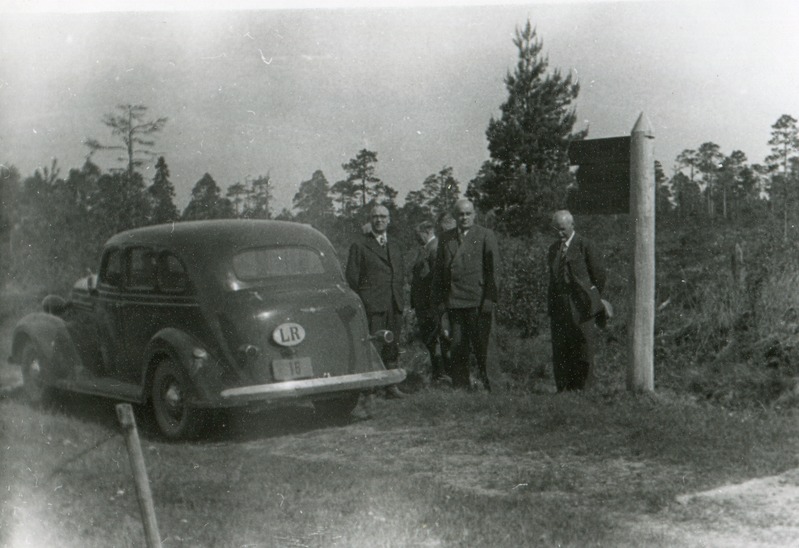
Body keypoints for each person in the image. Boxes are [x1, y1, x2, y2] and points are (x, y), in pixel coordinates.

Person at [432, 198, 499, 391]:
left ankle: (493, 388)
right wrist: (441, 304)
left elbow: (494, 271)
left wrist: (489, 299)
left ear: (474, 214)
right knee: (458, 347)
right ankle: (461, 387)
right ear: (455, 216)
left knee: (485, 348)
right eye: (460, 214)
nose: (464, 218)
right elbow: (439, 274)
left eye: (468, 213)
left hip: (477, 301)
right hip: (454, 301)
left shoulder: (486, 235)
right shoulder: (446, 238)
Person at [346, 204, 406, 399]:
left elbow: (399, 273)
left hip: (394, 302)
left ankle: (391, 386)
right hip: (373, 305)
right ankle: (370, 390)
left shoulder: (396, 245)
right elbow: (352, 278)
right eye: (375, 217)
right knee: (372, 346)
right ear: (370, 220)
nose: (379, 220)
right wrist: (366, 300)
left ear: (389, 220)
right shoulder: (360, 245)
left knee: (392, 344)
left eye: (383, 216)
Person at [547, 209, 607, 392]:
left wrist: (591, 297)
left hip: (582, 305)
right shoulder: (553, 249)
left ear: (572, 225)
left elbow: (599, 274)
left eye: (563, 229)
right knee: (561, 346)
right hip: (560, 304)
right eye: (556, 229)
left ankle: (584, 389)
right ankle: (564, 387)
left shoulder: (585, 245)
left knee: (583, 345)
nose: (560, 233)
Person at [410, 219, 445, 383]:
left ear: (427, 232)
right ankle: (437, 374)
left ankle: (441, 375)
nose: (417, 239)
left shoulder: (435, 249)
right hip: (423, 304)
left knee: (435, 339)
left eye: (419, 235)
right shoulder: (425, 249)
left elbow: (436, 279)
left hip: (430, 305)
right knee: (431, 340)